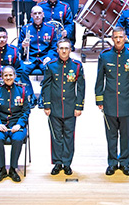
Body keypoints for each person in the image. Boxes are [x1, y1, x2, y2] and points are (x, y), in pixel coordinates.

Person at [95, 27, 129, 176]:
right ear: (112, 39)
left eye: (121, 37)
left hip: (127, 101)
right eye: (115, 37)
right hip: (109, 101)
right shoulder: (105, 56)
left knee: (125, 135)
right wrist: (99, 99)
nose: (118, 40)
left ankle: (125, 163)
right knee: (111, 135)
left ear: (125, 37)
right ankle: (112, 162)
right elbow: (99, 79)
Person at [42, 39, 85, 176]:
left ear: (71, 49)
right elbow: (46, 86)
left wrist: (79, 106)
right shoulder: (51, 66)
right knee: (56, 136)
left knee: (68, 136)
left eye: (66, 48)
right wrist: (47, 104)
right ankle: (57, 162)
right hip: (54, 107)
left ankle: (67, 163)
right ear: (57, 50)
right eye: (61, 48)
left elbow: (81, 87)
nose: (64, 51)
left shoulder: (77, 66)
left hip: (70, 107)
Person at [0, 66, 30, 183]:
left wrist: (19, 124)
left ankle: (13, 169)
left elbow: (26, 111)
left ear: (15, 76)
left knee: (17, 139)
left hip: (17, 123)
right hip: (1, 123)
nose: (8, 77)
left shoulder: (22, 90)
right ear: (2, 77)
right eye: (5, 75)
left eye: (10, 75)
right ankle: (2, 169)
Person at [19, 6, 58, 104]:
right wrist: (23, 46)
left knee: (51, 70)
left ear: (43, 14)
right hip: (30, 58)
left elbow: (54, 46)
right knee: (20, 70)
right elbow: (18, 47)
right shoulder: (25, 28)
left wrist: (49, 56)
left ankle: (43, 96)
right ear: (31, 15)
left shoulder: (51, 28)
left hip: (44, 57)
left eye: (39, 13)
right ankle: (30, 95)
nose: (37, 16)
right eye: (35, 14)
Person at [0, 27, 29, 94]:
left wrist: (14, 79)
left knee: (20, 93)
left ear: (7, 38)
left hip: (11, 79)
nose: (2, 40)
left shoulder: (14, 50)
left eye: (4, 37)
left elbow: (19, 68)